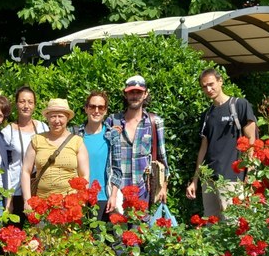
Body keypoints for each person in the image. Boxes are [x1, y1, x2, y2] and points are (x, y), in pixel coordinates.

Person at [185, 68, 257, 220]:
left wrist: (249, 174)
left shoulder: (239, 105)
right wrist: (195, 180)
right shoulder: (207, 114)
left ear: (220, 81)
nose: (208, 89)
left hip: (232, 177)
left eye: (211, 84)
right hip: (209, 179)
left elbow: (252, 141)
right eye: (204, 86)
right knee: (212, 227)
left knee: (234, 225)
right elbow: (203, 148)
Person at [105, 75, 168, 206]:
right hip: (117, 191)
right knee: (116, 226)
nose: (135, 96)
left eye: (139, 92)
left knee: (140, 226)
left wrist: (164, 187)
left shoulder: (155, 122)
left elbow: (162, 157)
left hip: (143, 191)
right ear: (125, 94)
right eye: (131, 92)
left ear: (145, 94)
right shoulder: (112, 120)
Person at [20, 98, 89, 205]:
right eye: (53, 116)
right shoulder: (37, 140)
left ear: (67, 118)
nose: (57, 120)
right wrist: (27, 201)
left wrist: (80, 201)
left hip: (69, 205)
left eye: (60, 116)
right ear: (47, 118)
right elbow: (26, 171)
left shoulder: (77, 142)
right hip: (42, 204)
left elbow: (84, 175)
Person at [1, 86, 49, 223]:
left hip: (38, 189)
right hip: (15, 190)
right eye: (22, 101)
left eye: (30, 102)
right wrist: (8, 198)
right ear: (16, 104)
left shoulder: (43, 128)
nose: (26, 106)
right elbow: (4, 166)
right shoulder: (8, 132)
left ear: (34, 105)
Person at [74, 91, 122, 220]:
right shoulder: (75, 135)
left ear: (105, 111)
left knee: (100, 238)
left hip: (103, 198)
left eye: (101, 107)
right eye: (92, 106)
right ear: (86, 109)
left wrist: (113, 196)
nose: (96, 110)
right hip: (79, 198)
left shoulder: (112, 135)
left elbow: (117, 169)